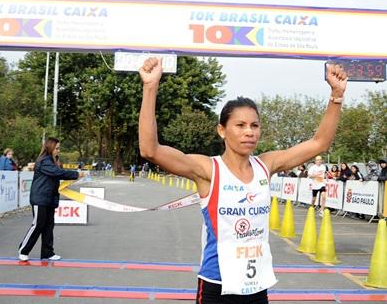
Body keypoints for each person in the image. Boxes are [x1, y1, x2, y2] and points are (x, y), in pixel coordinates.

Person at [138, 57, 347, 303]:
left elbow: (319, 143)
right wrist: (150, 87)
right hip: (217, 285)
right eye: (240, 125)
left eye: (254, 125)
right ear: (222, 130)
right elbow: (150, 150)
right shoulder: (208, 169)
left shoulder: (265, 165)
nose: (249, 131)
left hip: (257, 286)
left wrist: (336, 96)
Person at [18, 137, 83, 261]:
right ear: (50, 147)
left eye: (59, 148)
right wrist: (76, 174)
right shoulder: (45, 161)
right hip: (40, 198)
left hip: (50, 198)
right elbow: (58, 173)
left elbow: (59, 172)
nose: (58, 151)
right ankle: (23, 249)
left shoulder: (54, 161)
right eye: (57, 148)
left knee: (49, 225)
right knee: (38, 224)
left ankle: (47, 252)